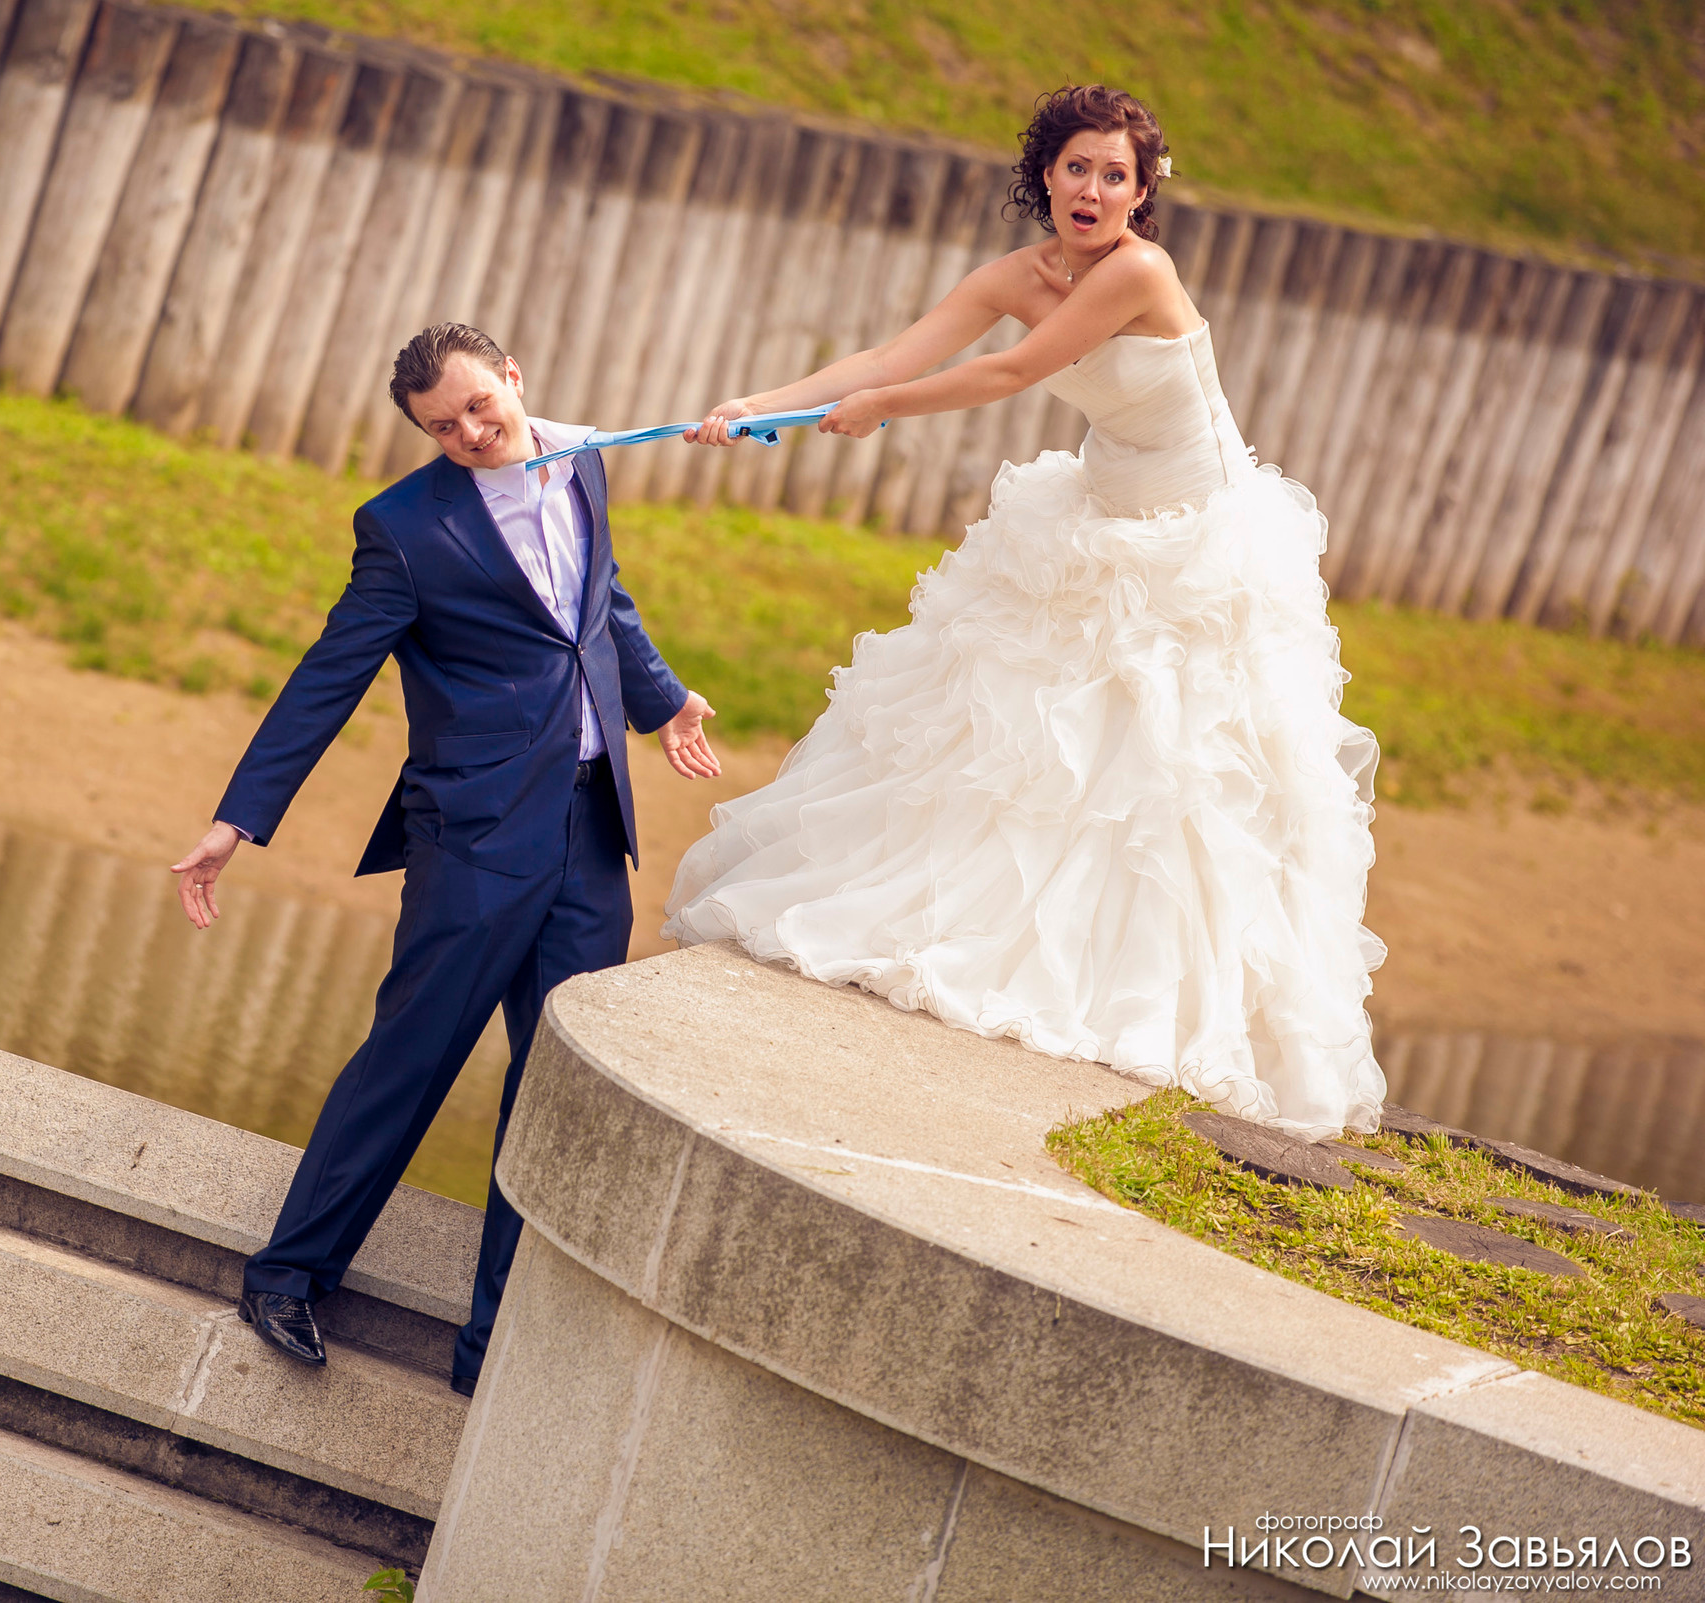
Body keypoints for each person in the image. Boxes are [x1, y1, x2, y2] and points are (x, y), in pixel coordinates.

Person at [668, 85, 1387, 1142]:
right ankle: (971, 933)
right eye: (1076, 168)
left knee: (1172, 776)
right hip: (1095, 512)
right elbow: (889, 358)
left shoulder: (1140, 271)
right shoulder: (1018, 274)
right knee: (1016, 742)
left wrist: (878, 412)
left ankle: (1158, 1003)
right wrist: (757, 407)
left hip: (1197, 541)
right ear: (1044, 175)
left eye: (1114, 175)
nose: (1092, 189)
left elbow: (1010, 371)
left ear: (1141, 195)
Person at [172, 323, 720, 1393]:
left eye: (479, 406)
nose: (470, 432)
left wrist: (660, 700)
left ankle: (490, 1346)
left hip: (589, 830)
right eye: (442, 425)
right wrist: (238, 819)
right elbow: (328, 675)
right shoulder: (405, 529)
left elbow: (597, 597)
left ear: (513, 377)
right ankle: (288, 1275)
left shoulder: (582, 457)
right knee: (413, 1054)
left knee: (556, 1083)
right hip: (473, 837)